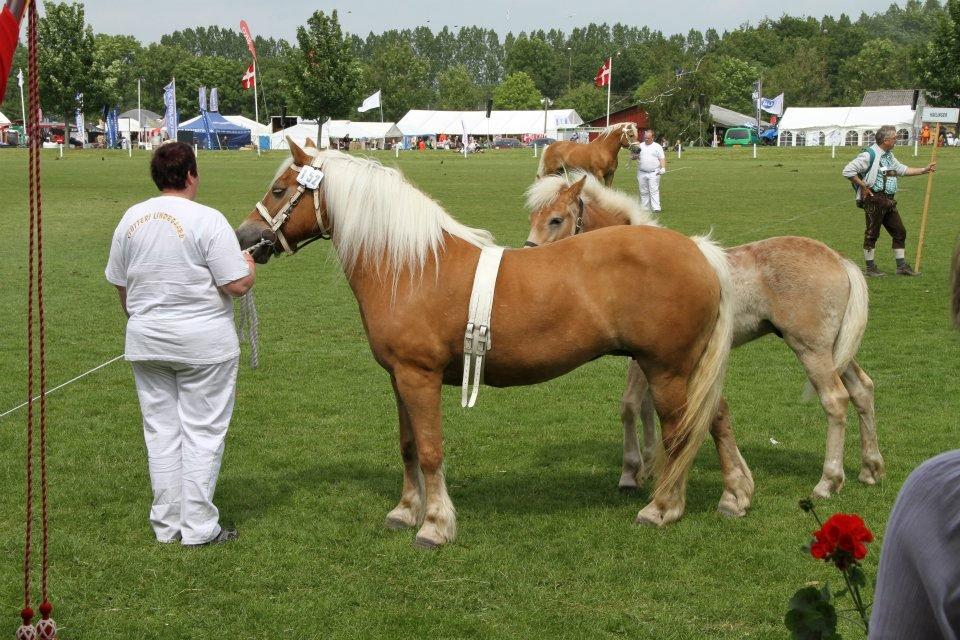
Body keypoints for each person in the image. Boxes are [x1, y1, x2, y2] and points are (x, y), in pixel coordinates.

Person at [105, 142, 255, 546]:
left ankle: (167, 524)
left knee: (161, 432)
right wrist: (250, 268)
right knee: (202, 433)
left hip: (147, 339)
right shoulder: (208, 219)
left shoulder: (131, 218)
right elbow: (235, 283)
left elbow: (121, 283)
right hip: (202, 344)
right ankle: (199, 528)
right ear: (190, 174)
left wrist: (139, 319)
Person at [842, 125, 936, 277]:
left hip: (889, 200)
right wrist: (863, 187)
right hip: (875, 199)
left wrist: (923, 170)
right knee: (872, 233)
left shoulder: (889, 155)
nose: (896, 141)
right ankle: (870, 269)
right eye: (894, 138)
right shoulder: (869, 155)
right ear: (885, 140)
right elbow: (847, 170)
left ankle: (901, 267)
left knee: (899, 231)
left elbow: (901, 170)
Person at [630, 129, 667, 213]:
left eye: (648, 138)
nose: (646, 139)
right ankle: (645, 208)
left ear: (652, 137)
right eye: (645, 138)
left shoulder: (657, 146)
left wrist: (663, 168)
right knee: (643, 191)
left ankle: (656, 208)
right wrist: (634, 156)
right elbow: (632, 157)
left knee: (654, 190)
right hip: (641, 172)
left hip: (654, 172)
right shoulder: (639, 146)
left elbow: (662, 158)